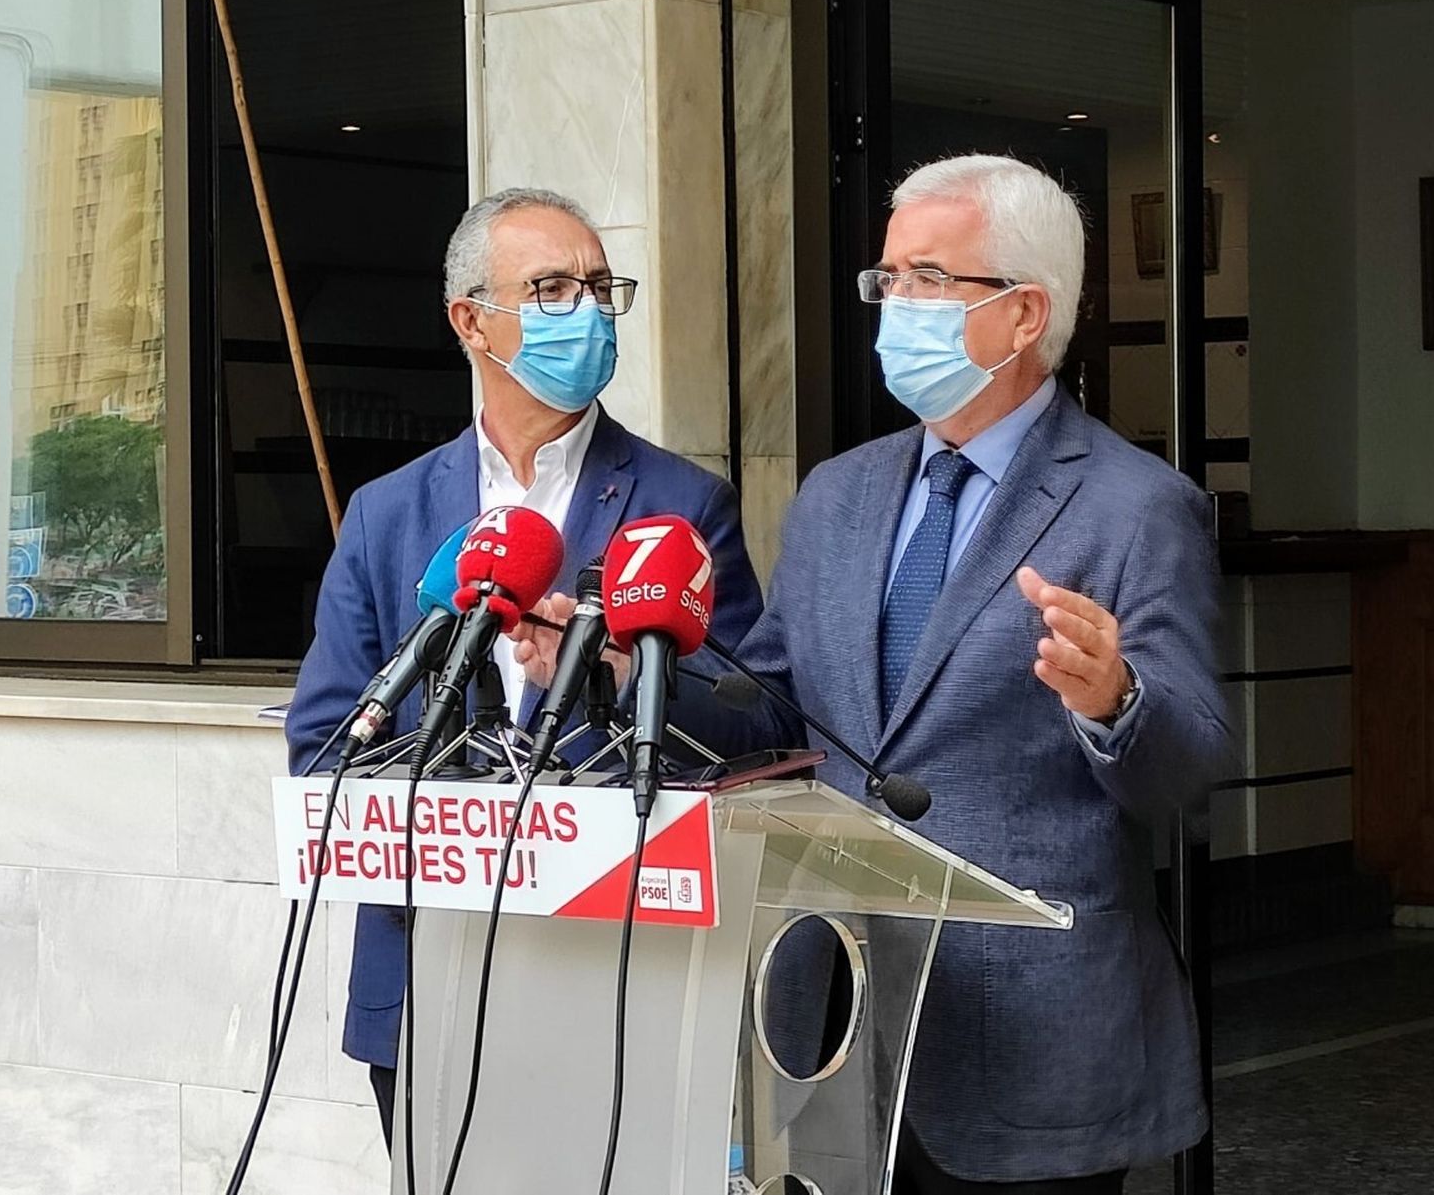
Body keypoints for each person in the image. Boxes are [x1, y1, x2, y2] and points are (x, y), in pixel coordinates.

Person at [515, 154, 1231, 1191]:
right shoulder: (837, 493)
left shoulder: (1137, 506)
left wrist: (1115, 701)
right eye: (886, 278)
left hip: (1031, 1040)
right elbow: (770, 718)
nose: (895, 305)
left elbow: (1190, 772)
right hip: (829, 1021)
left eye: (927, 278)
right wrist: (633, 677)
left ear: (1025, 315)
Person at [284, 186, 762, 1149]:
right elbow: (322, 746)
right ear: (472, 320)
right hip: (427, 975)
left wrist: (621, 678)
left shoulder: (683, 501)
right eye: (550, 288)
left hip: (618, 978)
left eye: (597, 286)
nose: (584, 310)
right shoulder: (387, 513)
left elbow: (760, 728)